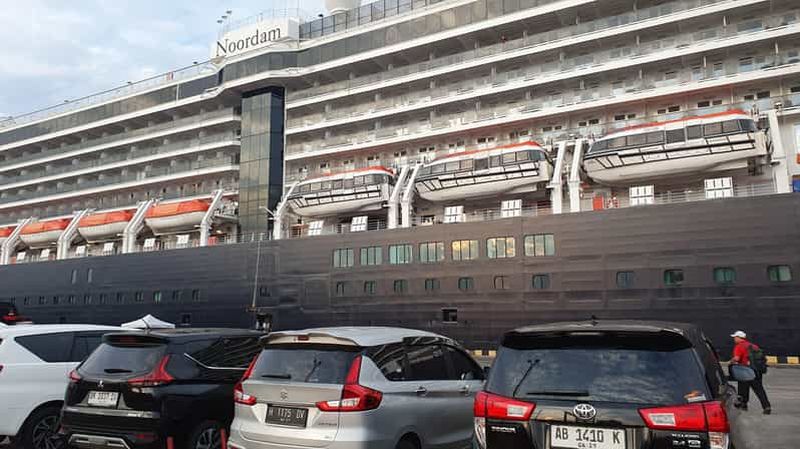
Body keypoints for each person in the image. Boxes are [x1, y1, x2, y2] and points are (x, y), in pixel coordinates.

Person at [731, 330, 771, 414]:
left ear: (739, 338)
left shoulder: (739, 346)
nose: (734, 339)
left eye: (735, 337)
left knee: (742, 389)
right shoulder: (754, 346)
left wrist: (731, 361)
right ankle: (766, 406)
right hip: (757, 371)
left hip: (745, 370)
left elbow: (737, 359)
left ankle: (743, 405)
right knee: (759, 389)